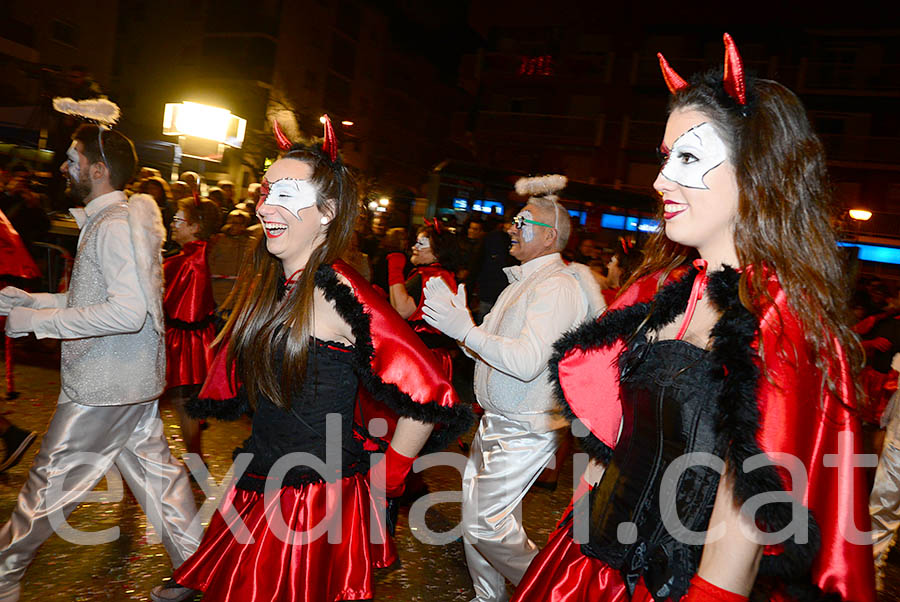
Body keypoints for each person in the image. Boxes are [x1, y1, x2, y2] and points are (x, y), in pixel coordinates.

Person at [512, 34, 874, 602]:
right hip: (586, 567)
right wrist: (581, 523)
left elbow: (748, 509)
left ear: (756, 172)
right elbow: (618, 442)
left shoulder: (782, 317)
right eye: (665, 159)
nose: (659, 182)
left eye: (688, 158)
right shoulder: (661, 294)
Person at [151, 119, 471, 602]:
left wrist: (387, 484)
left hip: (311, 501)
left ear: (327, 211)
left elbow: (426, 396)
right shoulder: (282, 283)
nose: (264, 207)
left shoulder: (338, 289)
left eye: (286, 193)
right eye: (265, 192)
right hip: (261, 477)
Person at [0, 124, 201, 601]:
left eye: (73, 159)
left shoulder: (111, 225)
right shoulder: (118, 218)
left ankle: (3, 575)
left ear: (99, 168)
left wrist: (37, 321)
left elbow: (126, 312)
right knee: (160, 480)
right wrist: (34, 301)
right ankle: (200, 572)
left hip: (103, 387)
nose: (65, 166)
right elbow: (95, 297)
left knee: (46, 486)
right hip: (128, 381)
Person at [422, 174, 605, 602]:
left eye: (522, 221)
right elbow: (487, 349)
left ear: (550, 236)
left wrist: (466, 331)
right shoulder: (523, 280)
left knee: (487, 522)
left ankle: (550, 593)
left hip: (525, 426)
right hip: (498, 421)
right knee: (479, 518)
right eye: (515, 220)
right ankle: (489, 596)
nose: (511, 227)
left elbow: (525, 363)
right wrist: (461, 327)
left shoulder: (556, 286)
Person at [163, 196, 221, 458]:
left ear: (195, 227)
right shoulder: (200, 254)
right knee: (184, 404)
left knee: (178, 402)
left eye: (178, 220)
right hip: (195, 339)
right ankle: (194, 461)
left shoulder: (184, 262)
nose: (172, 224)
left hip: (181, 341)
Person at [388, 219, 460, 375]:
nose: (415, 247)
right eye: (416, 242)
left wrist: (394, 270)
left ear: (436, 253)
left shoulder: (431, 276)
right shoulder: (439, 275)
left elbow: (402, 310)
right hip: (427, 355)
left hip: (423, 358)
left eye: (421, 244)